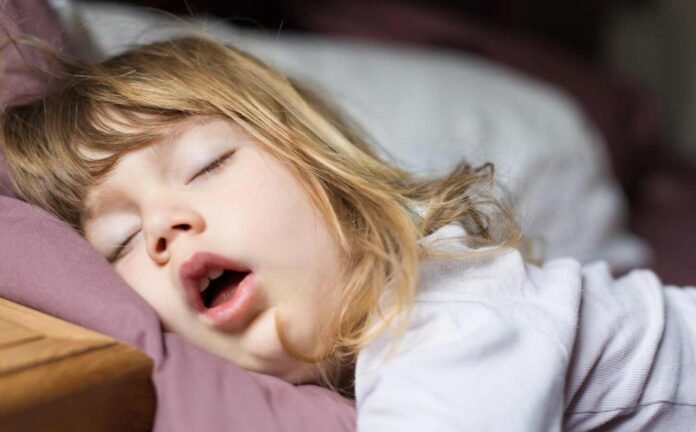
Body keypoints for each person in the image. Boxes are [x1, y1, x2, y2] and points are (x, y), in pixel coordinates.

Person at [2, 35, 695, 431]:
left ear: (327, 176)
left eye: (205, 165)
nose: (163, 228)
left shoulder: (448, 316)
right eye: (121, 242)